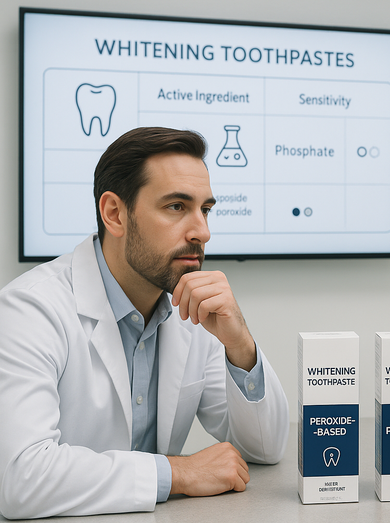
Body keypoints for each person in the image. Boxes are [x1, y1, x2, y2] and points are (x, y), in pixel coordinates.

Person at [0, 127, 290, 519]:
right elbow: (23, 479)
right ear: (115, 214)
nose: (202, 232)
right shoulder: (30, 309)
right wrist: (178, 472)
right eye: (176, 207)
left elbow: (265, 449)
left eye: (205, 209)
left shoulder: (193, 312)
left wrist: (240, 345)